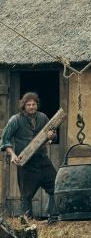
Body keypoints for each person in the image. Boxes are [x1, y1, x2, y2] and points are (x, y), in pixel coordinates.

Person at [1, 92, 58, 220]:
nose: (31, 107)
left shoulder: (43, 117)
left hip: (43, 160)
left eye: (34, 104)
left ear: (37, 105)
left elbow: (53, 134)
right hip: (26, 163)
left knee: (56, 187)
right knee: (26, 196)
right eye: (28, 105)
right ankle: (27, 224)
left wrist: (51, 136)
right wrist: (12, 154)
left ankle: (52, 216)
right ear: (24, 106)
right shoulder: (15, 120)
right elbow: (5, 140)